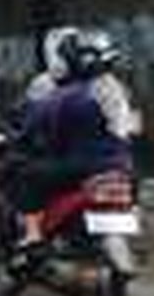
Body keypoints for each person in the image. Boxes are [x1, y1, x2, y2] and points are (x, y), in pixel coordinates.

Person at [14, 29, 140, 250]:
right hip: (123, 166)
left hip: (82, 165)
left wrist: (22, 139)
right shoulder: (120, 90)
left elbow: (38, 126)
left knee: (30, 176)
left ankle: (33, 234)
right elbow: (133, 127)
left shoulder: (64, 94)